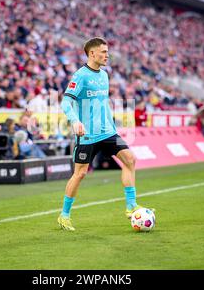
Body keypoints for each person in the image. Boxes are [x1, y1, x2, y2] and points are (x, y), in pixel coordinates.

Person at [58, 37, 154, 231]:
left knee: (130, 159)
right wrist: (75, 121)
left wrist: (111, 124)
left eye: (107, 52)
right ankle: (64, 215)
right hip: (87, 135)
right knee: (80, 174)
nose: (107, 55)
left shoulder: (104, 75)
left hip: (108, 132)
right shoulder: (80, 76)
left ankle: (130, 206)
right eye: (103, 52)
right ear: (92, 53)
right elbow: (65, 102)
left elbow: (102, 103)